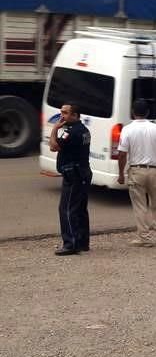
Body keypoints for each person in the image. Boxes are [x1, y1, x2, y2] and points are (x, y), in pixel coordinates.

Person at [116, 100, 156, 246]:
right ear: (148, 112)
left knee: (140, 206)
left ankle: (145, 238)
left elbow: (122, 154)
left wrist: (120, 174)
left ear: (132, 112)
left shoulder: (127, 130)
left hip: (137, 171)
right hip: (155, 171)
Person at [48, 103, 91, 255]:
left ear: (75, 115)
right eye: (61, 112)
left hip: (74, 175)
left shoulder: (71, 132)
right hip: (83, 172)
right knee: (80, 209)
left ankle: (70, 244)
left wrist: (54, 129)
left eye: (65, 113)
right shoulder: (84, 129)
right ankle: (82, 242)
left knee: (66, 209)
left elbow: (53, 146)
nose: (62, 116)